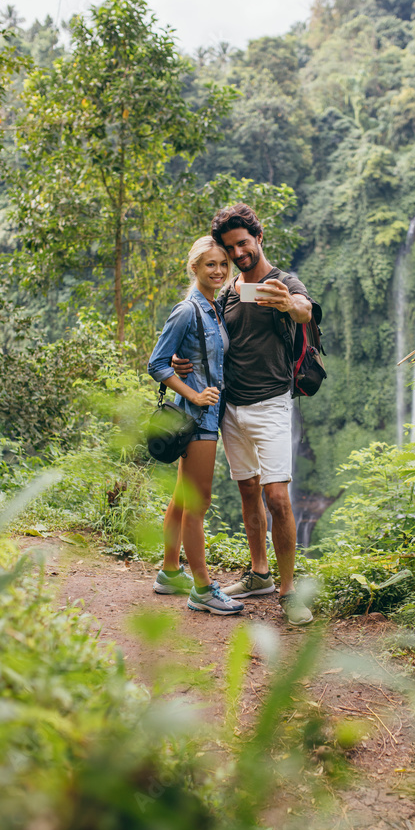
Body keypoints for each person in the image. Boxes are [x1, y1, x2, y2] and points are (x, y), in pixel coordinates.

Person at [173, 204, 314, 626]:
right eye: (231, 247)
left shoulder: (284, 283)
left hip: (271, 403)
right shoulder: (229, 292)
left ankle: (289, 591)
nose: (238, 253)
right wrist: (182, 364)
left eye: (243, 243)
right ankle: (259, 574)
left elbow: (305, 309)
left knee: (277, 497)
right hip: (229, 407)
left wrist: (288, 304)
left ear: (259, 238)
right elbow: (210, 341)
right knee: (248, 491)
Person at [147, 236, 243, 617]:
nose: (218, 270)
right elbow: (157, 363)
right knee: (198, 504)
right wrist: (194, 392)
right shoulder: (188, 310)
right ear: (194, 268)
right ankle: (203, 588)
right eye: (210, 265)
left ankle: (170, 573)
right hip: (197, 420)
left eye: (223, 264)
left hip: (205, 418)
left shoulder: (214, 309)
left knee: (183, 499)